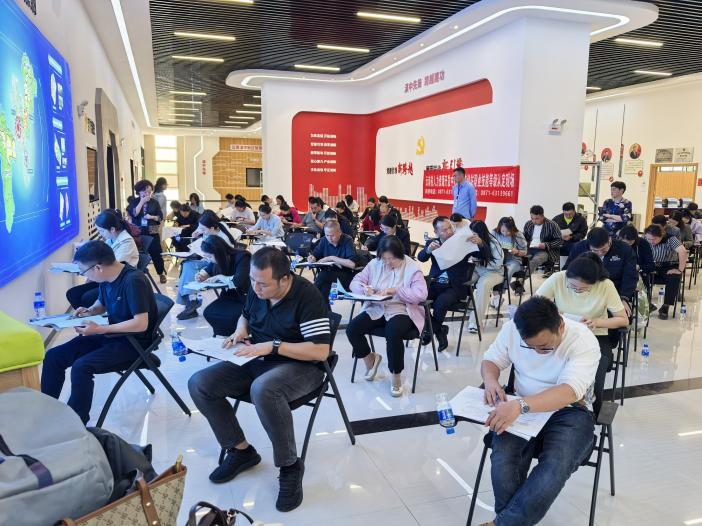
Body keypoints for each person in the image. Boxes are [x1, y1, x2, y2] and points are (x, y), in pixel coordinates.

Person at [187, 247, 331, 512]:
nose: (255, 288)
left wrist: (273, 346)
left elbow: (320, 351)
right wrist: (240, 330)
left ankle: (290, 466)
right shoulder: (258, 288)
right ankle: (241, 451)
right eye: (252, 280)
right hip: (258, 356)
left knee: (264, 389)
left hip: (300, 365)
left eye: (263, 284)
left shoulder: (307, 296)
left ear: (285, 279)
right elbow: (246, 315)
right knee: (200, 383)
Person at [481, 296, 600, 526]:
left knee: (556, 465)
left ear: (561, 326)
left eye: (544, 347)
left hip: (570, 411)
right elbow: (491, 361)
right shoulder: (512, 329)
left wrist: (520, 406)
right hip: (521, 406)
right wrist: (490, 381)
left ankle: (502, 524)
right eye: (530, 346)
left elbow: (569, 392)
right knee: (504, 458)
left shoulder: (582, 339)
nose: (537, 352)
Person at [42, 241, 157, 424]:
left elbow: (141, 324)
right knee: (53, 356)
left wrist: (99, 329)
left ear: (97, 267)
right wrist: (89, 311)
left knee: (81, 367)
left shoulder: (133, 280)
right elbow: (101, 305)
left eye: (83, 271)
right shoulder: (106, 278)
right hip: (111, 335)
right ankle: (45, 411)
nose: (84, 276)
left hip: (133, 343)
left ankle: (76, 423)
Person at [536, 252, 628, 411]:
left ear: (594, 283)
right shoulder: (558, 278)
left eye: (583, 289)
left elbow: (623, 320)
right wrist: (553, 313)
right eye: (572, 287)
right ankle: (551, 404)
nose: (576, 290)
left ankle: (591, 409)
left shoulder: (605, 285)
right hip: (562, 333)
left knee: (598, 364)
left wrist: (597, 322)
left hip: (595, 334)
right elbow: (534, 304)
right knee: (548, 358)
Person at [346, 235, 428, 397]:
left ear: (400, 255)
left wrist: (397, 290)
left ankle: (396, 376)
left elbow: (421, 294)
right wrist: (364, 289)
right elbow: (355, 282)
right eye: (384, 258)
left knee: (393, 332)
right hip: (377, 307)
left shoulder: (412, 268)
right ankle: (371, 360)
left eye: (392, 259)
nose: (387, 262)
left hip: (402, 309)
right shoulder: (375, 264)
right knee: (352, 329)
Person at [417, 216, 472, 351]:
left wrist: (481, 243)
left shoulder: (461, 242)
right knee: (415, 299)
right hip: (435, 283)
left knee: (440, 303)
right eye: (444, 230)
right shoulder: (433, 242)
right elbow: (421, 258)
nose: (449, 232)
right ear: (436, 232)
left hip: (454, 286)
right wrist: (428, 250)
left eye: (450, 228)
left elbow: (482, 255)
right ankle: (438, 329)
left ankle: (430, 331)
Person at [67, 210, 140, 309]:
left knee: (86, 298)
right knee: (72, 294)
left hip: (116, 282)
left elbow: (110, 266)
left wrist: (87, 271)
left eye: (102, 231)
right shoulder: (111, 239)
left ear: (112, 229)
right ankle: (84, 316)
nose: (101, 234)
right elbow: (99, 257)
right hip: (105, 277)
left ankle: (90, 315)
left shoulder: (126, 242)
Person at [177, 211, 240, 320]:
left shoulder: (222, 238)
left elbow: (217, 258)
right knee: (187, 265)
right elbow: (201, 233)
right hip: (210, 259)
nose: (201, 231)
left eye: (203, 229)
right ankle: (192, 301)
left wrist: (205, 258)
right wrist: (196, 234)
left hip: (220, 264)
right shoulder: (216, 227)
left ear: (211, 228)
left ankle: (192, 301)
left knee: (189, 266)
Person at [564, 227, 638, 311]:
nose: (600, 253)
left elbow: (630, 276)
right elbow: (568, 270)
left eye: (603, 250)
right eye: (595, 250)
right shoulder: (579, 248)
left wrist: (624, 298)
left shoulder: (624, 249)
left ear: (609, 240)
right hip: (584, 290)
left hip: (614, 291)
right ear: (589, 245)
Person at [196, 236, 251, 336]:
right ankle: (221, 336)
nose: (209, 259)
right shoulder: (218, 260)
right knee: (208, 312)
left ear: (219, 252)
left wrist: (220, 277)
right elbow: (207, 270)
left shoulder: (243, 257)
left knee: (230, 316)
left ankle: (235, 336)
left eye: (210, 257)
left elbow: (237, 281)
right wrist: (200, 275)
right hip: (229, 295)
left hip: (245, 297)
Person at [466, 220, 505, 334]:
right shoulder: (470, 240)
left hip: (494, 271)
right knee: (463, 279)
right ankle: (468, 305)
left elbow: (498, 263)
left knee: (483, 286)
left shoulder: (493, 242)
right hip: (477, 268)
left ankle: (475, 321)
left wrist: (480, 261)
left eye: (475, 234)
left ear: (481, 233)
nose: (472, 236)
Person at [126, 179, 167, 283]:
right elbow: (134, 214)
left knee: (156, 253)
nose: (147, 194)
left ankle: (161, 273)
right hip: (138, 231)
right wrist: (142, 202)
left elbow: (160, 217)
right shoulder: (134, 202)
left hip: (152, 230)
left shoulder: (154, 202)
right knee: (137, 253)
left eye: (149, 191)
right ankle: (137, 275)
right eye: (145, 191)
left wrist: (152, 217)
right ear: (139, 191)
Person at [644, 224, 687, 320]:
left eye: (654, 239)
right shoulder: (645, 239)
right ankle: (647, 303)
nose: (651, 241)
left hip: (668, 265)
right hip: (652, 265)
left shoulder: (670, 239)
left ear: (662, 235)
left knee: (674, 278)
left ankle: (665, 306)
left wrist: (680, 270)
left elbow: (683, 251)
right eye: (649, 239)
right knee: (639, 276)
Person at [307, 220, 358, 300]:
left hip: (346, 275)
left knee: (323, 276)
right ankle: (320, 306)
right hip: (328, 275)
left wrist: (331, 258)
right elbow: (315, 255)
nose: (329, 238)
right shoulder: (324, 240)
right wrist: (311, 258)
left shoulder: (347, 240)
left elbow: (352, 264)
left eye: (332, 235)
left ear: (340, 232)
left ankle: (310, 298)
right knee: (324, 288)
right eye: (327, 235)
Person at [523, 205, 562, 275]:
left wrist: (546, 245)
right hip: (529, 249)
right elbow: (524, 238)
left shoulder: (552, 225)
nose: (534, 221)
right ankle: (515, 277)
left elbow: (559, 241)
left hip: (544, 251)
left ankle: (522, 278)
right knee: (516, 258)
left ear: (542, 216)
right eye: (532, 218)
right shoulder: (528, 224)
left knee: (535, 261)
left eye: (537, 218)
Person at [493, 217, 528, 294]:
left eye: (508, 231)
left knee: (507, 270)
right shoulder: (494, 233)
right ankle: (494, 292)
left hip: (514, 261)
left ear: (512, 229)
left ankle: (500, 293)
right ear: (499, 227)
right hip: (499, 259)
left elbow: (525, 252)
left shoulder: (518, 235)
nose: (505, 233)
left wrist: (517, 251)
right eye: (503, 231)